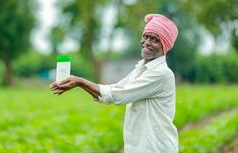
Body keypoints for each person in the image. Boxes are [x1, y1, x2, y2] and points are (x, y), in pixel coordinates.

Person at [50, 14, 179, 153]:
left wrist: (80, 82)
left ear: (165, 46)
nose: (147, 42)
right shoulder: (140, 69)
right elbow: (115, 89)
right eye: (146, 36)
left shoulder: (161, 74)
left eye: (155, 39)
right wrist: (78, 82)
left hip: (155, 147)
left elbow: (118, 95)